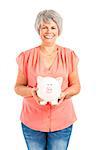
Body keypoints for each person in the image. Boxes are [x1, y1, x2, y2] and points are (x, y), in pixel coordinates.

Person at [14, 9, 81, 150]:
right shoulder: (26, 57)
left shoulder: (69, 56)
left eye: (52, 27)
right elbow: (18, 87)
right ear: (38, 30)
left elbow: (76, 86)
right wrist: (32, 92)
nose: (48, 31)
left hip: (62, 121)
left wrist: (63, 94)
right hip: (32, 121)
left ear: (58, 30)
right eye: (44, 27)